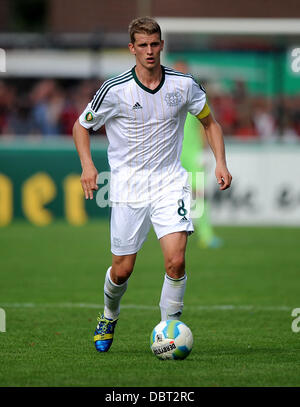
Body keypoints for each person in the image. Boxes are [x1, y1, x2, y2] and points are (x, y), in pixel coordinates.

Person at [72, 17, 232, 353]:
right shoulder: (115, 89)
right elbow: (80, 127)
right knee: (122, 269)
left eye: (154, 44)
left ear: (162, 45)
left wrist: (220, 161)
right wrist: (87, 165)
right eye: (142, 45)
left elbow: (210, 122)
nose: (149, 51)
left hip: (169, 182)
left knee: (176, 261)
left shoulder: (183, 85)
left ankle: (168, 330)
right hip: (128, 186)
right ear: (132, 48)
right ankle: (109, 313)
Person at [173, 61, 223, 248]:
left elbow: (206, 125)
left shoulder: (195, 95)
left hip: (192, 154)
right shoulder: (164, 96)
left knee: (199, 194)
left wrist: (204, 152)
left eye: (183, 71)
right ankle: (175, 232)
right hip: (171, 155)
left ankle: (206, 234)